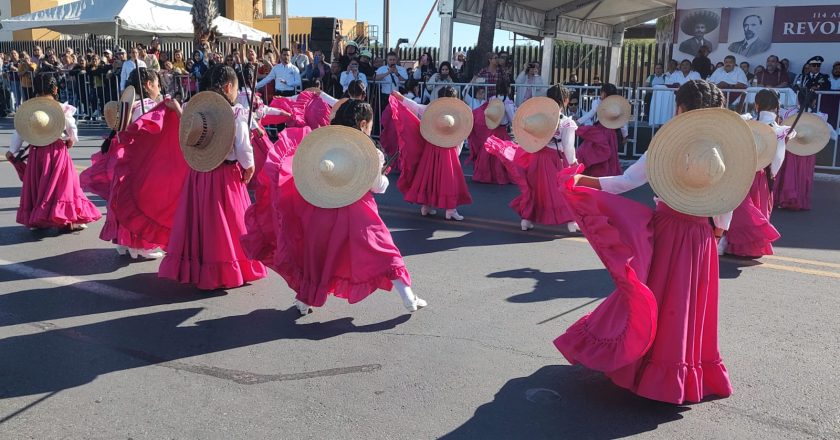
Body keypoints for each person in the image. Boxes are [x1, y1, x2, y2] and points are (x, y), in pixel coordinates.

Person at [555, 79, 749, 405]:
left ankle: (640, 362)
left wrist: (578, 180)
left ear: (682, 108)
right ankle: (683, 372)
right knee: (686, 304)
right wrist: (717, 232)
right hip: (701, 236)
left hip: (668, 230)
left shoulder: (667, 144)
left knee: (655, 299)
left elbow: (625, 182)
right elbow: (727, 200)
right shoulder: (720, 148)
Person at [242, 100, 427, 315]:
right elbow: (378, 187)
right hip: (358, 211)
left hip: (321, 207)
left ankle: (304, 301)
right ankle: (408, 296)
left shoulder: (325, 143)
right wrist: (382, 176)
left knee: (318, 258)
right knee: (385, 252)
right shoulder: (370, 153)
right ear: (363, 124)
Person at [159, 65, 267, 290]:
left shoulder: (195, 108)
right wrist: (249, 166)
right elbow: (242, 145)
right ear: (229, 86)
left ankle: (200, 268)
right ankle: (228, 268)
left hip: (199, 172)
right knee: (228, 222)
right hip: (224, 175)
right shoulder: (235, 113)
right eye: (236, 88)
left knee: (201, 221)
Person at [7, 72, 101, 231]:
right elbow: (71, 128)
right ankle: (66, 218)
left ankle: (39, 217)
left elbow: (20, 132)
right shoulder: (61, 109)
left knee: (40, 183)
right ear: (55, 89)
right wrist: (72, 139)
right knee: (64, 185)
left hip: (37, 151)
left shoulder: (29, 110)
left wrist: (12, 150)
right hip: (57, 151)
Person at [484, 87, 580, 233]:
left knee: (534, 189)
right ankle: (571, 221)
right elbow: (568, 146)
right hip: (555, 158)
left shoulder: (540, 118)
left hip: (536, 155)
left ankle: (526, 220)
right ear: (565, 101)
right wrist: (573, 161)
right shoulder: (566, 122)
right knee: (561, 189)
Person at [721, 89, 789, 257]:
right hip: (764, 175)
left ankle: (731, 244)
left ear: (757, 105)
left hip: (744, 171)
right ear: (776, 107)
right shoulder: (780, 130)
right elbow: (778, 159)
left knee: (738, 209)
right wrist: (772, 173)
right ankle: (753, 246)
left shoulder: (746, 121)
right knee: (759, 206)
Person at [389, 87, 473, 221]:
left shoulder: (431, 109)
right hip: (448, 149)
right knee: (448, 179)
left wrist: (401, 98)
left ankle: (426, 206)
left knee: (429, 175)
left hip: (431, 147)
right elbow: (461, 135)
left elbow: (416, 107)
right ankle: (450, 209)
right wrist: (457, 152)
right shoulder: (459, 113)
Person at [467, 77, 516, 184]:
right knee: (503, 155)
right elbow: (512, 119)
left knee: (488, 155)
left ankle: (488, 175)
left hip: (492, 130)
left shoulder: (492, 99)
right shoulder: (507, 102)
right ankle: (501, 176)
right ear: (508, 88)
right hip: (502, 132)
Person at [575, 83, 626, 177]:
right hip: (609, 133)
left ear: (604, 93)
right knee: (609, 155)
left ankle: (593, 174)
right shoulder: (616, 104)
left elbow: (591, 113)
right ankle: (606, 176)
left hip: (599, 131)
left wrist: (578, 122)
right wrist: (625, 136)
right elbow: (622, 123)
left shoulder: (598, 102)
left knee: (588, 152)